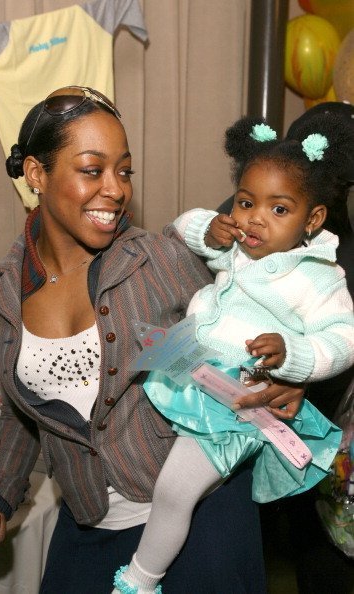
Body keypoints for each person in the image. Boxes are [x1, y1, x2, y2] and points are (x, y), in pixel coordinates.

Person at [0, 86, 305, 594]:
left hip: (202, 517)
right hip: (88, 524)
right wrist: (2, 500)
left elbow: (252, 319)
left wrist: (289, 375)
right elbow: (20, 414)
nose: (116, 189)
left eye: (124, 171)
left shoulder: (162, 259)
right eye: (92, 169)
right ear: (36, 174)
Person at [112, 113, 354, 594]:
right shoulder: (242, 249)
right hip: (188, 363)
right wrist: (211, 230)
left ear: (313, 218)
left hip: (237, 399)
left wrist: (295, 355)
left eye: (279, 209)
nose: (256, 217)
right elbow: (179, 228)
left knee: (174, 491)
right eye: (246, 203)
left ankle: (138, 582)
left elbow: (344, 338)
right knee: (124, 398)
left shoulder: (318, 277)